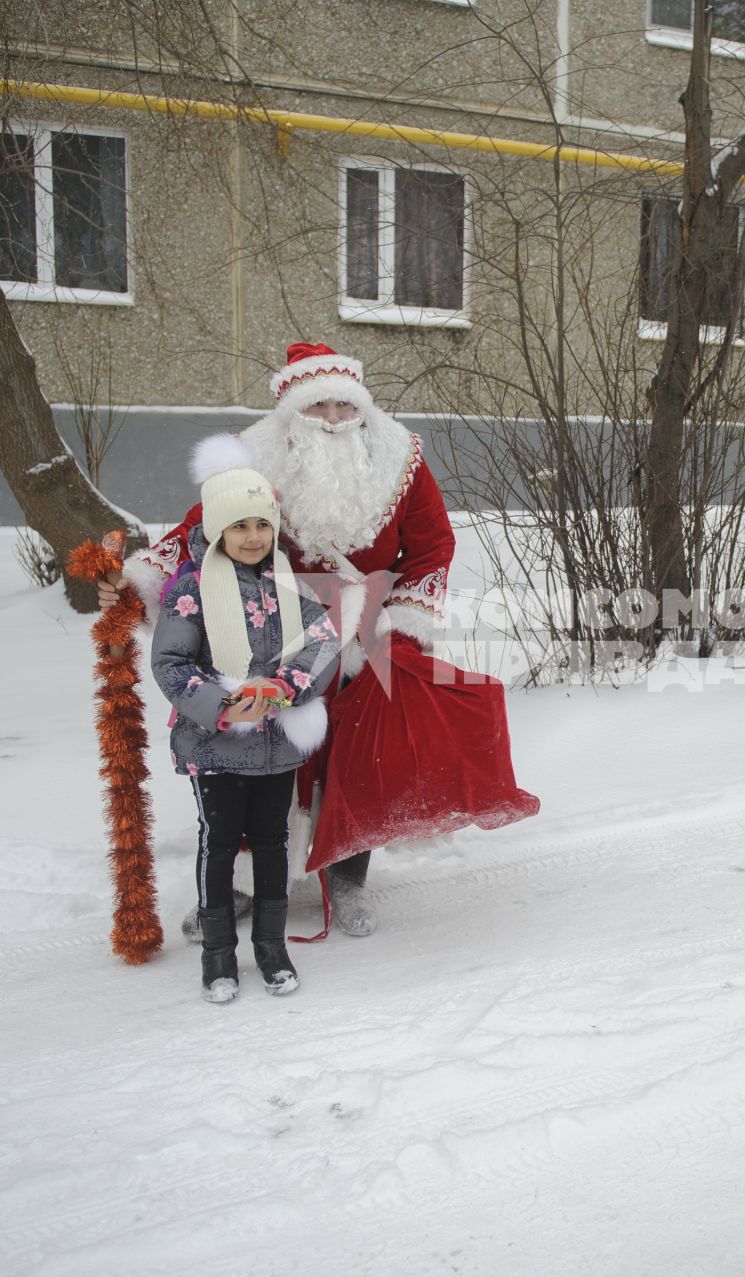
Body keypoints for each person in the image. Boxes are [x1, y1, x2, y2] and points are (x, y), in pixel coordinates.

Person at [115, 341, 539, 940]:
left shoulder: (401, 457)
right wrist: (141, 586)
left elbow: (432, 547)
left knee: (356, 756)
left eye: (346, 407)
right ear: (293, 411)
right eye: (321, 409)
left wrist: (401, 623)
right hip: (265, 627)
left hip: (368, 632)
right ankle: (236, 886)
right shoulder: (254, 455)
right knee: (255, 752)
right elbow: (198, 527)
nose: (336, 420)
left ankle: (347, 876)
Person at [148, 441, 340, 1002]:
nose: (253, 536)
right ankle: (218, 956)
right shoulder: (191, 589)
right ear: (216, 531)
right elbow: (171, 662)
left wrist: (285, 688)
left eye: (262, 524)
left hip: (277, 743)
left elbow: (322, 645)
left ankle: (271, 948)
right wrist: (222, 704)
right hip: (217, 743)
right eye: (239, 526)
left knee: (275, 841)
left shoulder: (290, 586)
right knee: (221, 841)